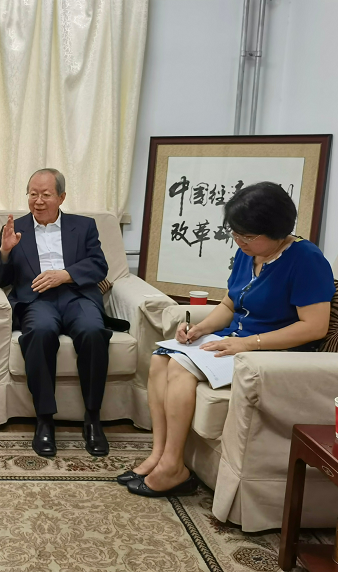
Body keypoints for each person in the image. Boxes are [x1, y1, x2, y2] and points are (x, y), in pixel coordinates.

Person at [120, 181, 334, 497]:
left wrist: (248, 343)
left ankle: (173, 468)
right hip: (236, 340)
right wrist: (200, 328)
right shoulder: (249, 252)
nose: (239, 241)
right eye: (235, 233)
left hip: (272, 353)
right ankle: (159, 455)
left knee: (179, 367)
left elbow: (314, 327)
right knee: (160, 358)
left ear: (278, 230)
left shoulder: (306, 259)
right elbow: (230, 303)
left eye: (248, 236)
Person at [0, 168, 124, 458]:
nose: (38, 201)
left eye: (46, 195)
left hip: (77, 296)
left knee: (92, 331)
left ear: (61, 197)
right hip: (36, 300)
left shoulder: (84, 226)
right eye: (33, 194)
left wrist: (65, 274)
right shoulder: (15, 228)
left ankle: (93, 419)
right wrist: (5, 252)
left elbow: (99, 266)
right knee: (40, 332)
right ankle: (44, 420)